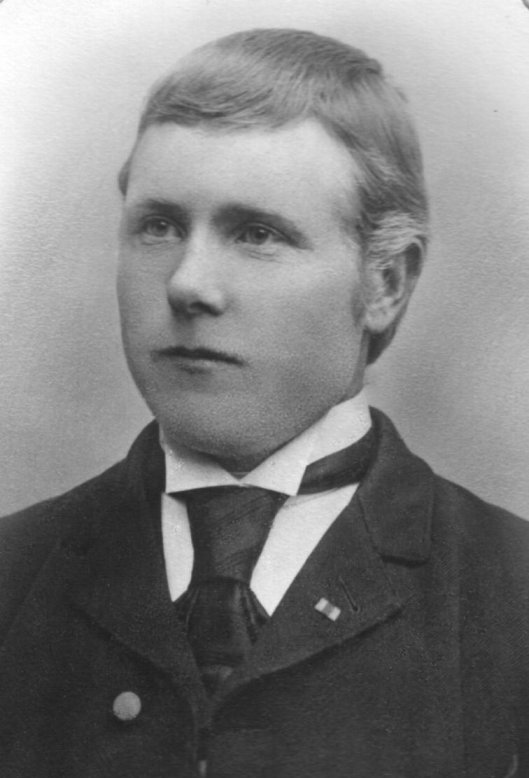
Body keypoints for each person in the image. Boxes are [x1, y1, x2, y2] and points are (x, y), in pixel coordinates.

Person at [0, 27, 528, 778]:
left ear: (384, 284)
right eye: (159, 226)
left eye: (256, 233)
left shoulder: (510, 591)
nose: (187, 283)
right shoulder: (15, 573)